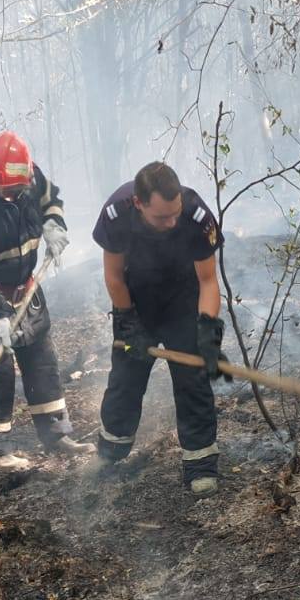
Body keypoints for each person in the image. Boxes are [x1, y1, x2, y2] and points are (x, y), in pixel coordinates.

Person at [0, 131, 93, 468]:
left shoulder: (30, 177)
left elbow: (51, 201)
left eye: (11, 189)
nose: (5, 194)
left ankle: (57, 435)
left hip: (28, 291)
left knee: (42, 363)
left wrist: (54, 225)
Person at [92, 161, 227, 495]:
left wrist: (208, 330)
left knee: (191, 380)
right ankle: (111, 450)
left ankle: (200, 463)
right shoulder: (116, 214)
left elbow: (208, 281)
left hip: (183, 300)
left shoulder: (196, 216)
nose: (171, 222)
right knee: (126, 377)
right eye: (161, 217)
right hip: (136, 301)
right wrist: (128, 321)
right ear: (139, 204)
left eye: (174, 214)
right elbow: (113, 276)